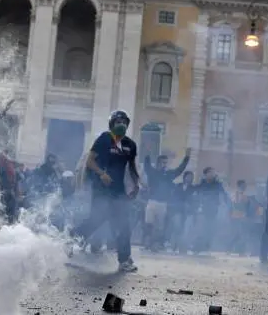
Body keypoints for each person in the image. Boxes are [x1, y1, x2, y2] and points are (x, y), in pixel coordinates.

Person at [69, 110, 141, 273]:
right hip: (101, 190)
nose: (121, 124)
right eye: (118, 122)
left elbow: (132, 167)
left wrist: (136, 185)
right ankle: (70, 240)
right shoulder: (104, 139)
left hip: (119, 191)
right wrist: (101, 173)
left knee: (123, 225)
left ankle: (124, 260)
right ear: (112, 124)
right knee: (95, 221)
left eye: (124, 122)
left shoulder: (130, 145)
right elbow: (90, 161)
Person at [142, 149, 191, 251]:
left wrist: (186, 158)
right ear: (158, 162)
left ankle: (157, 244)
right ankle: (147, 242)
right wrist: (147, 152)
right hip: (152, 201)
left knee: (160, 226)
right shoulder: (153, 172)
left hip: (163, 203)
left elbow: (179, 170)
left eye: (166, 162)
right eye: (164, 162)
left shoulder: (169, 174)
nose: (165, 164)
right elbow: (146, 166)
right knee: (149, 223)